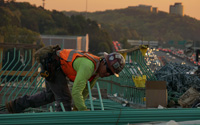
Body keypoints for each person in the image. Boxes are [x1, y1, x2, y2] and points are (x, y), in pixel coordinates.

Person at [5, 47, 125, 113]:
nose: (107, 74)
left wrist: (77, 109)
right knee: (65, 99)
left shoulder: (96, 73)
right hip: (54, 66)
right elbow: (76, 92)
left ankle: (16, 105)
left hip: (54, 65)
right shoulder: (89, 67)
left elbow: (84, 93)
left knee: (49, 96)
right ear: (104, 61)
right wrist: (84, 111)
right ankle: (62, 121)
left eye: (111, 74)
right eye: (108, 70)